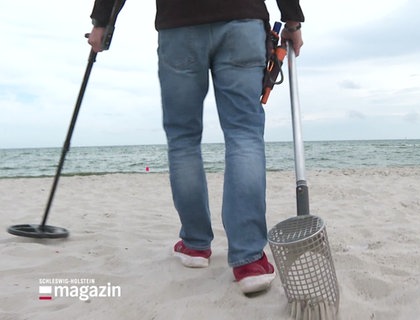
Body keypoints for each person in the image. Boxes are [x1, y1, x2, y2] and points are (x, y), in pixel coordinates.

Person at [87, 0, 304, 294]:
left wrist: (102, 22)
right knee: (244, 135)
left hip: (179, 26)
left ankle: (195, 246)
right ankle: (249, 261)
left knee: (183, 139)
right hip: (242, 21)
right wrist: (291, 20)